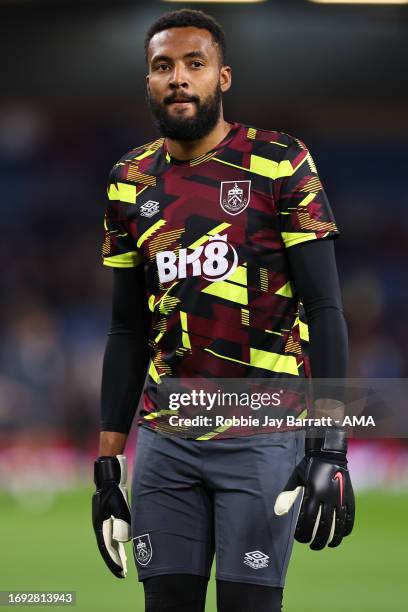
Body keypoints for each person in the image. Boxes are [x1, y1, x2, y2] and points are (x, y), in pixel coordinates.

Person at [92, 9, 355, 612]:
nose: (178, 78)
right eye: (164, 67)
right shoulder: (129, 180)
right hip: (166, 436)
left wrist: (332, 444)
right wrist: (108, 463)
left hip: (264, 432)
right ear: (149, 83)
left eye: (194, 64)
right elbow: (127, 330)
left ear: (223, 77)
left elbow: (325, 308)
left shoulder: (279, 161)